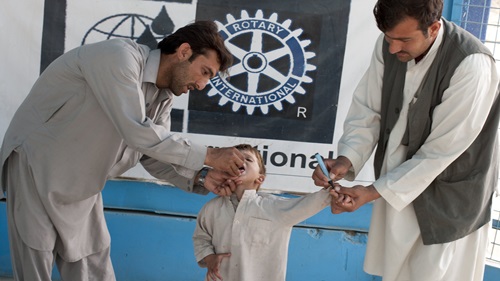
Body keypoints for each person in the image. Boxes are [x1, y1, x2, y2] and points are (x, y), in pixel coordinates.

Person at [0, 21, 247, 280]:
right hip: (35, 166)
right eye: (204, 72)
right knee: (35, 268)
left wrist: (202, 177)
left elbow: (152, 152)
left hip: (84, 184)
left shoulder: (163, 97)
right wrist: (209, 154)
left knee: (95, 267)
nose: (202, 85)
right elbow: (136, 131)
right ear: (184, 51)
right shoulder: (119, 57)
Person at [312, 0, 500, 280]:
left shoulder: (471, 64)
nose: (392, 49)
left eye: (403, 40)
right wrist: (346, 158)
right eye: (388, 38)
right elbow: (368, 109)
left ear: (434, 28)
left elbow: (440, 152)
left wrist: (372, 192)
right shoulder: (391, 44)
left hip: (449, 203)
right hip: (395, 191)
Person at [193, 144, 331, 281]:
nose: (240, 162)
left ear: (260, 178)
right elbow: (201, 237)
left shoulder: (273, 206)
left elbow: (308, 204)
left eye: (248, 159)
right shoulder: (211, 208)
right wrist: (209, 257)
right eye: (234, 161)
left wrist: (331, 191)